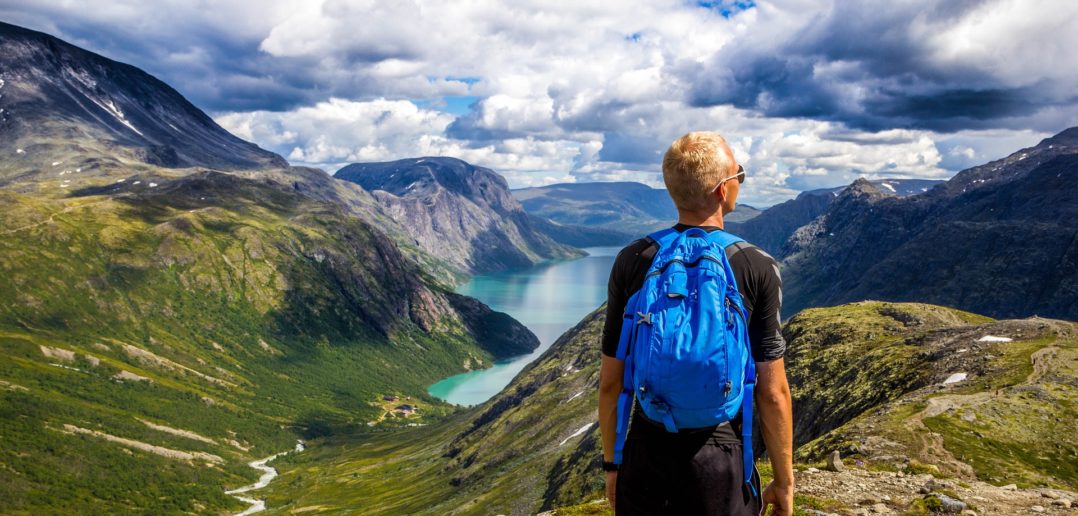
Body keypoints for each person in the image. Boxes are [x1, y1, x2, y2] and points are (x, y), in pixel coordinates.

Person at [598, 131, 794, 515]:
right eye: (739, 174)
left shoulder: (633, 259)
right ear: (723, 190)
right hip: (721, 456)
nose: (740, 181)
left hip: (646, 450)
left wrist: (613, 466)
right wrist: (784, 482)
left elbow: (611, 383)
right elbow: (773, 393)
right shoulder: (755, 265)